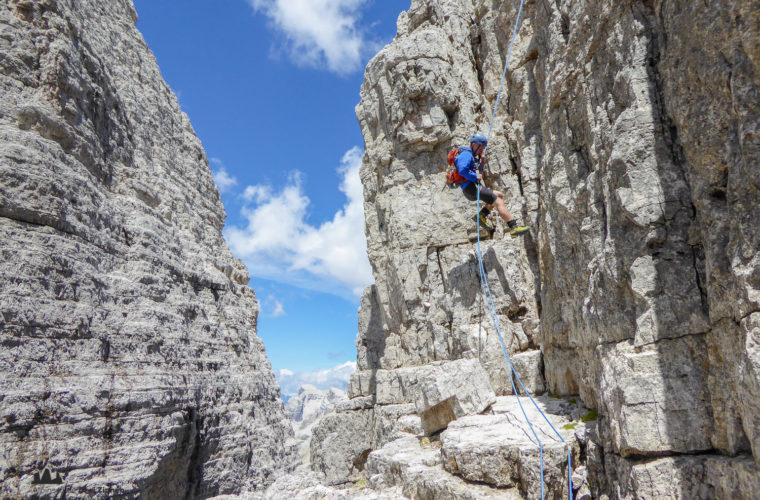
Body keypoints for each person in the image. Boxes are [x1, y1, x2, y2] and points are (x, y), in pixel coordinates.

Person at [456, 133, 529, 238]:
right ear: (474, 144)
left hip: (471, 188)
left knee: (499, 195)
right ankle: (513, 227)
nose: (481, 151)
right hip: (471, 188)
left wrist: (482, 162)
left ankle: (481, 215)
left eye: (483, 149)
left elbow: (476, 170)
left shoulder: (470, 155)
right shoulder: (466, 154)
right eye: (480, 148)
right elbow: (463, 170)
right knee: (498, 201)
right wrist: (475, 177)